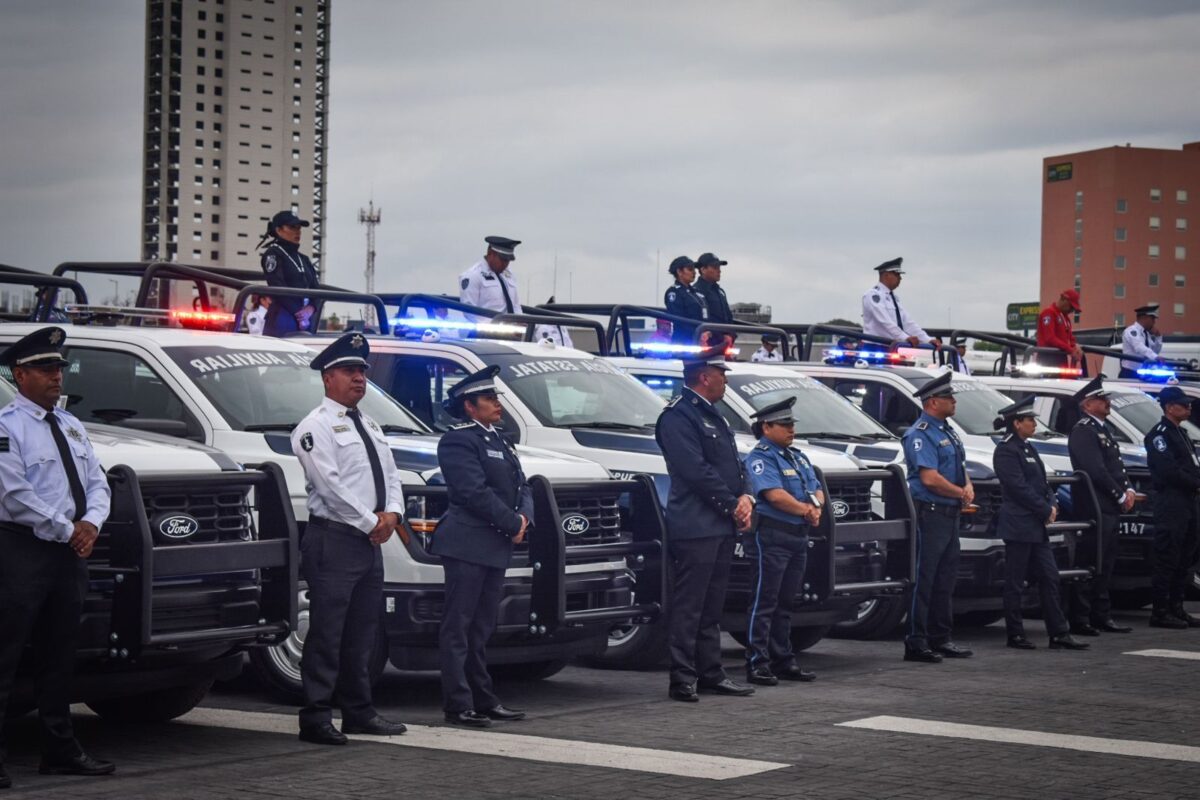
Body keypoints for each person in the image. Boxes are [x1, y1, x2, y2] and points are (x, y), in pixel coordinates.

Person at [0, 327, 114, 787]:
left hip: (69, 552)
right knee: (5, 654)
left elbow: (98, 484)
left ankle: (59, 749)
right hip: (22, 551)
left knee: (60, 654)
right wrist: (70, 529)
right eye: (46, 369)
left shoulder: (70, 424)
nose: (56, 377)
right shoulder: (6, 427)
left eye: (60, 369)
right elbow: (14, 494)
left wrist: (92, 524)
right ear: (19, 373)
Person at [291, 332, 407, 745]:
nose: (359, 378)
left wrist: (393, 514)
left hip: (367, 540)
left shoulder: (370, 424)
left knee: (363, 631)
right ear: (328, 378)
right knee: (326, 633)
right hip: (335, 540)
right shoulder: (314, 427)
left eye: (362, 371)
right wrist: (370, 522)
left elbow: (390, 474)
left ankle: (358, 711)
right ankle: (316, 717)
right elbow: (329, 486)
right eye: (349, 371)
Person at [655, 346, 756, 702]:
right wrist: (731, 505)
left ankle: (711, 672)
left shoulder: (714, 415)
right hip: (696, 524)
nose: (725, 379)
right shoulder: (678, 417)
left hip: (720, 523)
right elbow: (694, 470)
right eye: (721, 373)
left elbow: (734, 465)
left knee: (713, 605)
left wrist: (745, 497)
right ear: (704, 376)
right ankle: (682, 677)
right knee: (690, 605)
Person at [433, 366, 531, 727]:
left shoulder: (499, 439)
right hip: (467, 542)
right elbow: (472, 491)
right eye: (489, 399)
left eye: (495, 398)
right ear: (469, 406)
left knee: (482, 627)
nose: (496, 404)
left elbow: (524, 486)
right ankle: (457, 704)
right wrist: (511, 522)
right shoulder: (459, 440)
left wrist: (524, 519)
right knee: (458, 626)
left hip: (494, 544)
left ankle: (483, 698)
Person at [992, 397, 1089, 652]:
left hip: (1036, 525)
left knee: (1050, 577)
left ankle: (1058, 633)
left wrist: (1052, 502)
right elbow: (1018, 487)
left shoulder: (1027, 447)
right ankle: (1015, 633)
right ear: (1016, 423)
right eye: (1030, 420)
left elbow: (1042, 482)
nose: (1034, 424)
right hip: (1019, 525)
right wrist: (1045, 508)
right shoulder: (1006, 449)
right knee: (1015, 582)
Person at [743, 397, 821, 685]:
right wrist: (807, 510)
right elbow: (773, 495)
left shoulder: (797, 456)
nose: (791, 430)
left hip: (798, 535)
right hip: (772, 535)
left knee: (786, 602)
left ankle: (783, 659)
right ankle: (757, 662)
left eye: (792, 424)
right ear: (766, 427)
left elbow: (815, 488)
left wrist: (817, 508)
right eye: (785, 425)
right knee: (765, 601)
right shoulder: (761, 457)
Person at [901, 371, 973, 663]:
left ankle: (941, 637)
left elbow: (961, 466)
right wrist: (960, 492)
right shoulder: (921, 434)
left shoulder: (947, 430)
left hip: (950, 513)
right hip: (931, 513)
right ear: (932, 402)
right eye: (948, 397)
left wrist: (967, 485)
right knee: (925, 578)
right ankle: (917, 642)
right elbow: (929, 478)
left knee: (945, 578)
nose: (953, 401)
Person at [1066, 375, 1135, 636]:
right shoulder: (1084, 430)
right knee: (1091, 560)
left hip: (1108, 505)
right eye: (1101, 399)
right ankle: (1082, 617)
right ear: (1087, 404)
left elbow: (1116, 465)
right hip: (1095, 505)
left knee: (1106, 562)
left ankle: (1101, 614)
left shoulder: (1102, 429)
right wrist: (1119, 494)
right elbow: (1094, 469)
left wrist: (1128, 488)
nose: (1107, 403)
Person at [1143, 386, 1200, 629]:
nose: (1188, 408)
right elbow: (1169, 471)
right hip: (1171, 501)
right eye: (1183, 404)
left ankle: (1177, 607)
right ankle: (1160, 611)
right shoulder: (1160, 435)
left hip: (1188, 501)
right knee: (1168, 557)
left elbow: (1191, 465)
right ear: (1169, 407)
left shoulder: (1182, 433)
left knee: (1185, 556)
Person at [458, 236, 572, 347]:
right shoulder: (473, 276)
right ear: (491, 254)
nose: (505, 264)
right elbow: (470, 314)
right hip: (484, 338)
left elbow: (515, 305)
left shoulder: (508, 275)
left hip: (511, 337)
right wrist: (499, 329)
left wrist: (519, 323)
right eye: (503, 260)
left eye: (508, 260)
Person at [258, 210, 320, 337]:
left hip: (306, 319)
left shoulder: (304, 259)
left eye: (299, 227)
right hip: (283, 317)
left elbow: (316, 288)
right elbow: (276, 285)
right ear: (279, 230)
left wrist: (311, 308)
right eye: (292, 227)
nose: (298, 231)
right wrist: (299, 314)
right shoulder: (273, 254)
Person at [861, 258, 940, 348]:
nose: (900, 278)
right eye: (897, 274)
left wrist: (927, 339)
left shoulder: (894, 298)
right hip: (875, 346)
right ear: (886, 275)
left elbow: (907, 322)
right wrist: (905, 337)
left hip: (893, 345)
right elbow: (884, 321)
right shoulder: (872, 295)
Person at [663, 255, 709, 344]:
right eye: (690, 269)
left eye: (694, 270)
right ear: (679, 271)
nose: (694, 273)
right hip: (684, 341)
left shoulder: (696, 293)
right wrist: (697, 334)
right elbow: (678, 319)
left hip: (702, 339)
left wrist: (707, 331)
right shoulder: (674, 292)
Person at [1035, 289, 1084, 368]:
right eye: (1071, 307)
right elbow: (1050, 338)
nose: (1071, 311)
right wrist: (1070, 350)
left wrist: (1076, 347)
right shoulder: (1048, 313)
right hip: (1047, 359)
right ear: (1063, 299)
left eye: (1074, 309)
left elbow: (1070, 338)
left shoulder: (1066, 319)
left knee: (1065, 379)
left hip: (1060, 358)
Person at [1119, 304, 1163, 379]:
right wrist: (1155, 357)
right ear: (1144, 318)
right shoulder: (1131, 331)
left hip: (1142, 372)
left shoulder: (1145, 334)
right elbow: (1139, 347)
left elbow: (1155, 351)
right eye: (1152, 319)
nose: (1154, 322)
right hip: (1130, 373)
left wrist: (1158, 337)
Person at [693, 253, 734, 325]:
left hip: (724, 333)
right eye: (715, 267)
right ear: (703, 270)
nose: (719, 271)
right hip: (710, 334)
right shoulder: (696, 292)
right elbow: (701, 318)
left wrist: (730, 334)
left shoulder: (720, 292)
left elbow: (728, 317)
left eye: (719, 267)